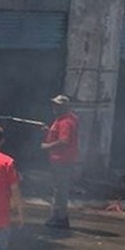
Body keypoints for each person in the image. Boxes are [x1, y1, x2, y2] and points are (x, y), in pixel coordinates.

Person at [40, 94, 80, 229]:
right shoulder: (63, 119)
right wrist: (49, 131)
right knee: (60, 189)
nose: (54, 108)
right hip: (62, 160)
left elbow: (64, 141)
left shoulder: (66, 122)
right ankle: (60, 217)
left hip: (62, 160)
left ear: (63, 107)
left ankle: (59, 218)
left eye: (57, 105)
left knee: (60, 190)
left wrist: (46, 146)